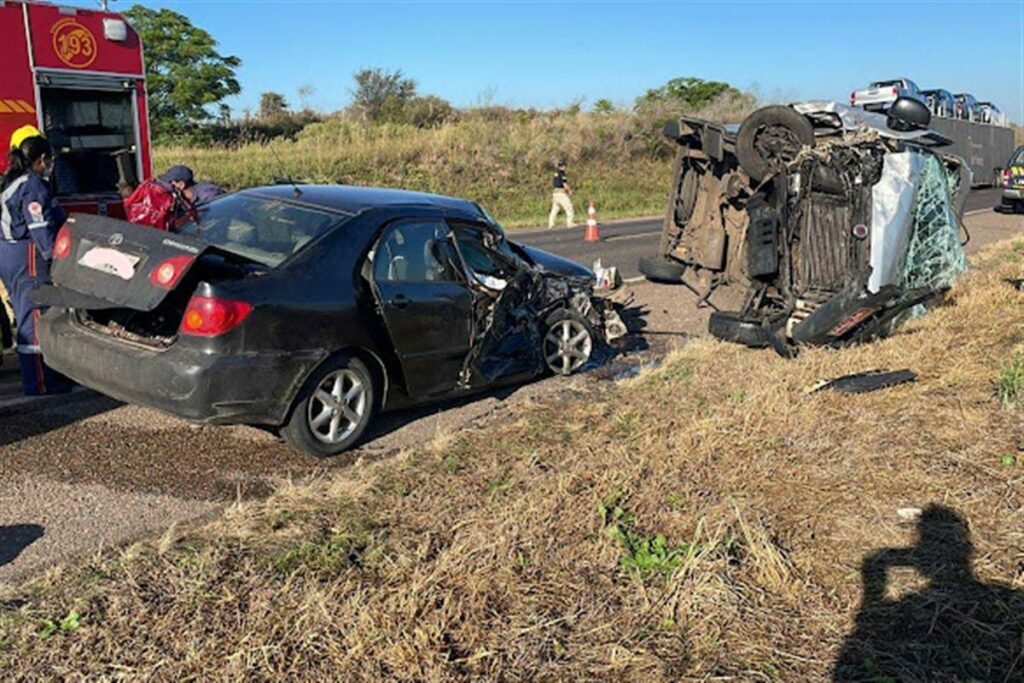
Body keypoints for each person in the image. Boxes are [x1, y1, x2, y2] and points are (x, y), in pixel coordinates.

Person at [0, 128, 73, 395]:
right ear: (41, 159)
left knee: (30, 312)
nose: (51, 165)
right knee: (34, 315)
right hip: (27, 254)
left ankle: (47, 375)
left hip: (11, 254)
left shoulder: (13, 181)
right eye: (50, 159)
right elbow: (40, 226)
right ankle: (41, 382)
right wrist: (54, 261)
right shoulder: (32, 184)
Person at [124, 164, 216, 230]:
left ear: (181, 184)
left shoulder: (209, 195)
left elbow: (215, 221)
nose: (167, 188)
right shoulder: (179, 201)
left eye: (170, 184)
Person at [548, 160, 575, 229]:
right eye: (565, 166)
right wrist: (570, 191)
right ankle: (570, 223)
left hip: (555, 193)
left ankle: (551, 223)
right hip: (561, 193)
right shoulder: (562, 174)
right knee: (569, 207)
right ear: (563, 166)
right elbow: (564, 184)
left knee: (555, 208)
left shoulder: (555, 173)